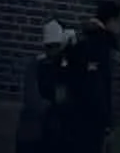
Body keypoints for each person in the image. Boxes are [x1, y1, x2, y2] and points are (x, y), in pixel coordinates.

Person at [52, 0, 120, 153]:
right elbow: (101, 86)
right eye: (118, 21)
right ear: (111, 20)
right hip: (91, 120)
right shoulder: (102, 46)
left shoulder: (81, 39)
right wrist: (107, 122)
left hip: (71, 116)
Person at [15, 20, 74, 153]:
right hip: (35, 130)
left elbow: (62, 96)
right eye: (50, 47)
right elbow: (32, 97)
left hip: (51, 130)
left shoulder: (61, 67)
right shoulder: (37, 66)